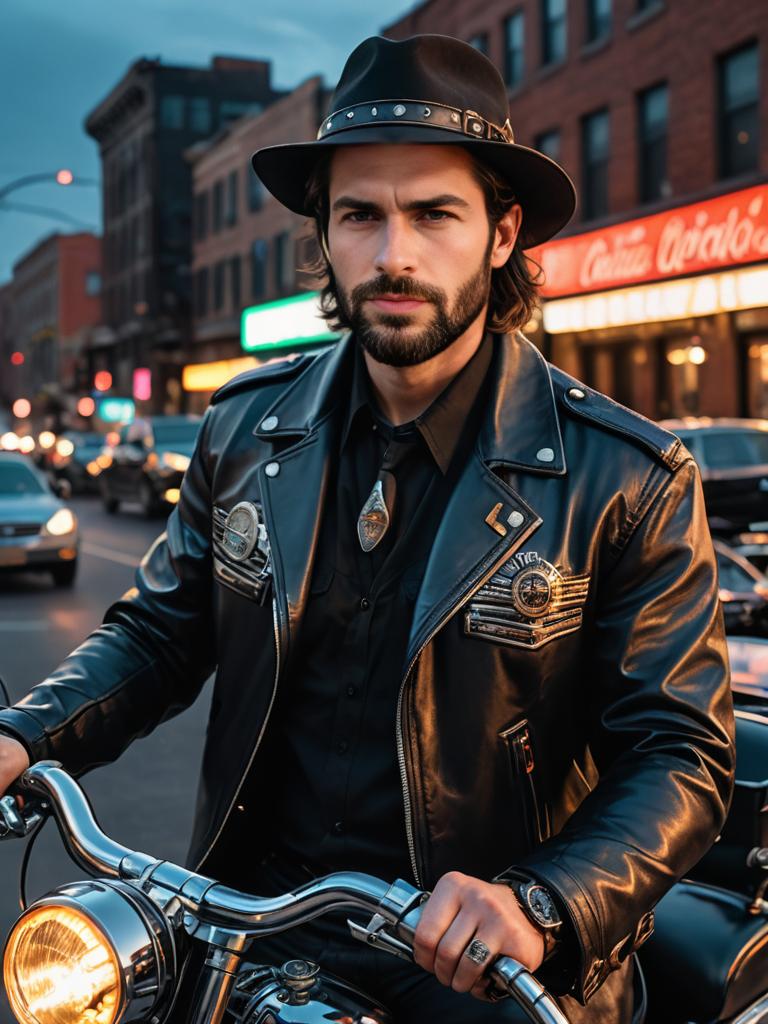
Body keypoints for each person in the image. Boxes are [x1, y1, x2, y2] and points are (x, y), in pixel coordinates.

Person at [0, 34, 734, 1024]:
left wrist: (542, 904)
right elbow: (162, 631)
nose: (395, 254)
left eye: (435, 213)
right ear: (325, 234)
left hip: (488, 965)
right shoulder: (247, 429)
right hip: (248, 926)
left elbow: (679, 752)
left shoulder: (627, 477)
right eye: (361, 215)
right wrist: (26, 732)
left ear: (502, 233)